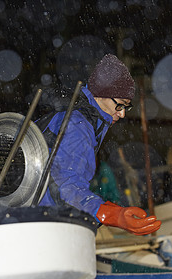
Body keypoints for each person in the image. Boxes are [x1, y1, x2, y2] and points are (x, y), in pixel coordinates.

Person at [38, 54, 161, 236]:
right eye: (120, 105)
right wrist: (109, 214)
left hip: (41, 217)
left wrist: (107, 206)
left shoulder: (80, 117)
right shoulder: (78, 126)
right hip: (44, 223)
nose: (122, 114)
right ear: (101, 94)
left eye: (127, 107)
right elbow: (64, 187)